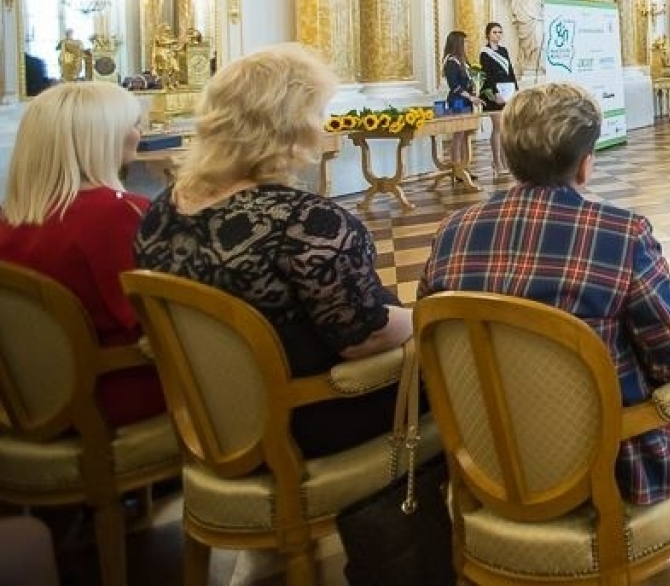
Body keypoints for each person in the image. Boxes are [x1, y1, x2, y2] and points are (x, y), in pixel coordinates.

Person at [420, 82, 670, 502]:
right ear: (584, 165)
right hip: (607, 473)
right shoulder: (621, 235)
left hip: (485, 464)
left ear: (507, 155)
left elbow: (430, 346)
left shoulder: (451, 232)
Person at [135, 44, 412, 455]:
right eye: (317, 114)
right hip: (306, 418)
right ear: (290, 126)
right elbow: (364, 340)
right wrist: (429, 317)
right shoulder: (306, 224)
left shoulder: (163, 212)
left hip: (214, 420)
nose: (323, 126)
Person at [0, 82, 164, 426]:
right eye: (133, 124)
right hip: (110, 392)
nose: (140, 133)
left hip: (27, 399)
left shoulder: (9, 218)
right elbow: (153, 321)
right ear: (102, 137)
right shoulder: (119, 214)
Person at [479, 22, 518, 176]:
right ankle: (496, 161)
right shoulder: (485, 53)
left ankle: (504, 159)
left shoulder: (504, 51)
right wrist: (496, 93)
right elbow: (487, 75)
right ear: (488, 34)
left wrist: (516, 89)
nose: (498, 35)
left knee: (505, 129)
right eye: (495, 32)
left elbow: (510, 71)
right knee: (498, 127)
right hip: (493, 94)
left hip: (507, 91)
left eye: (500, 32)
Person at [442, 29, 479, 179]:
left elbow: (469, 79)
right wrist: (470, 97)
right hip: (458, 101)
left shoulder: (464, 60)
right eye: (465, 42)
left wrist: (475, 89)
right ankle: (456, 168)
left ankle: (465, 167)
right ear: (457, 44)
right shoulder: (451, 62)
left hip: (467, 100)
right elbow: (455, 86)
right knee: (458, 135)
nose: (467, 45)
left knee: (466, 135)